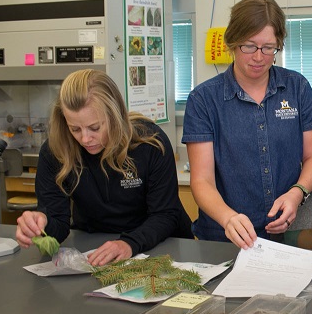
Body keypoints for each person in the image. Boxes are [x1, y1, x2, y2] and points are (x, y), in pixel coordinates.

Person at [182, 0, 312, 248]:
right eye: (249, 46)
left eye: (268, 47)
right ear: (232, 42)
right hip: (224, 238)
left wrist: (297, 193)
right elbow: (202, 181)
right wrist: (228, 218)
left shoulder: (297, 87)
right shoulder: (204, 99)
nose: (259, 57)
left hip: (288, 235)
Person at [16, 69, 193, 266]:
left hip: (161, 246)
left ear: (114, 116)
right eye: (75, 129)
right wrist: (41, 223)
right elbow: (58, 223)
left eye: (95, 128)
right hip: (95, 249)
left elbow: (165, 215)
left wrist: (129, 244)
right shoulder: (55, 151)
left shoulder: (149, 143)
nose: (85, 139)